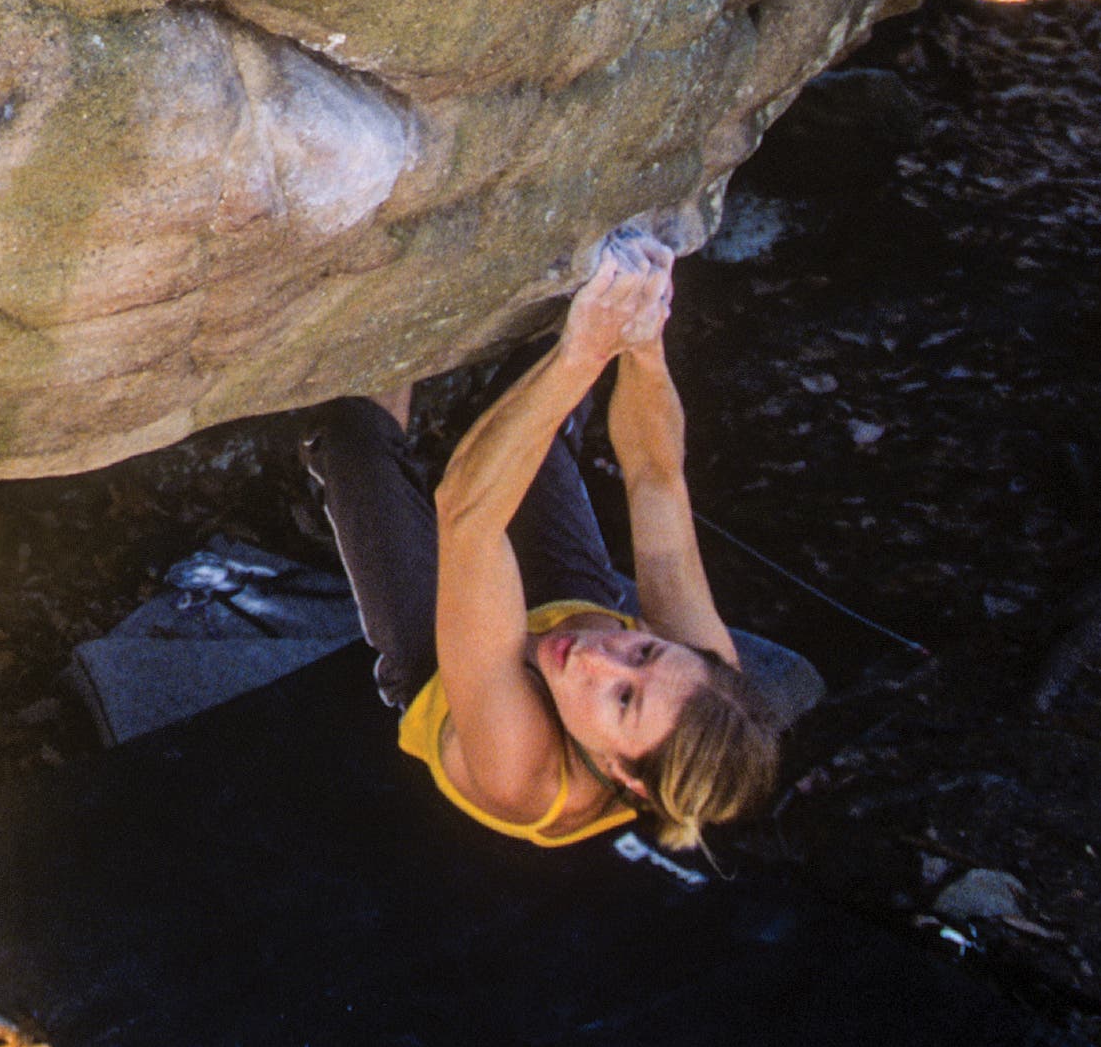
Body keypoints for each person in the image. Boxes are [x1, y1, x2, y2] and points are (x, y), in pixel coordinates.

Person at [303, 232, 784, 850]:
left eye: (622, 699)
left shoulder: (521, 770)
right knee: (534, 386)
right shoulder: (696, 682)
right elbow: (656, 477)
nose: (597, 656)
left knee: (356, 442)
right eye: (643, 651)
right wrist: (643, 336)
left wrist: (587, 351)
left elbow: (467, 514)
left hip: (451, 673)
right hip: (562, 601)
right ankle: (511, 382)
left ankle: (395, 320)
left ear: (622, 775)